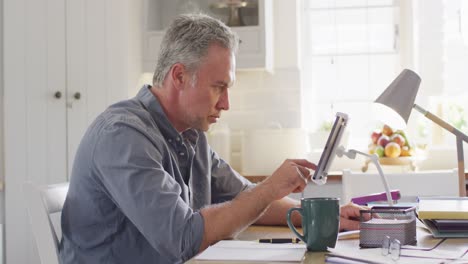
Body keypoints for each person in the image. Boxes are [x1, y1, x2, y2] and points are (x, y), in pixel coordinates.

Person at [59, 14, 363, 264]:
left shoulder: (190, 134)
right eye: (219, 87)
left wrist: (325, 216)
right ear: (179, 77)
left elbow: (244, 197)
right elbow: (183, 239)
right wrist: (269, 187)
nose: (226, 103)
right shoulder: (123, 136)